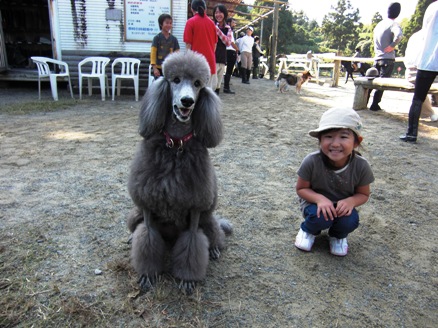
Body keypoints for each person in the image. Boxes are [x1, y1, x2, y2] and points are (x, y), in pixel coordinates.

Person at [294, 107, 375, 256]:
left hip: (342, 207)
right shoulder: (311, 161)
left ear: (357, 142)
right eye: (329, 136)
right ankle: (308, 230)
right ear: (320, 140)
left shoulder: (361, 165)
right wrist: (320, 199)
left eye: (343, 137)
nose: (335, 143)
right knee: (320, 217)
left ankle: (337, 236)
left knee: (349, 221)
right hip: (314, 205)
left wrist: (351, 201)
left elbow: (363, 194)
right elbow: (301, 189)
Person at [400, 1, 438, 142]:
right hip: (429, 59)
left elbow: (424, 33)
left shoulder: (432, 7)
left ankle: (411, 133)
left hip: (428, 59)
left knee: (418, 99)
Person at [368, 2, 403, 111]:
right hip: (387, 58)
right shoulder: (393, 24)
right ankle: (375, 104)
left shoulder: (379, 25)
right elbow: (399, 36)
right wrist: (392, 46)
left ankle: (364, 101)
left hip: (377, 57)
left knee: (371, 82)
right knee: (382, 83)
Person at [403, 29, 438, 123]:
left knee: (420, 90)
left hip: (411, 72)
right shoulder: (433, 35)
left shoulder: (415, 36)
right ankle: (430, 113)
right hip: (423, 72)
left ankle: (430, 112)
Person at [183, 0, 218, 89]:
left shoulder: (190, 22)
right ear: (205, 9)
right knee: (207, 94)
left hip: (196, 64)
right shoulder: (212, 23)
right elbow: (214, 46)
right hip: (210, 64)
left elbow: (188, 46)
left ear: (192, 9)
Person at [150, 14, 180, 78]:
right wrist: (154, 68)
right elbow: (153, 54)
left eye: (170, 23)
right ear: (161, 24)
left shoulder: (174, 39)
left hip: (170, 68)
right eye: (167, 23)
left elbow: (177, 54)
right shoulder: (156, 38)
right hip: (159, 68)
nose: (169, 25)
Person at [213, 4, 233, 95]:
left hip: (222, 57)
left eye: (220, 12)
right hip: (212, 56)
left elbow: (228, 42)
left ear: (224, 14)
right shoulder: (211, 25)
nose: (218, 15)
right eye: (216, 12)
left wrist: (218, 31)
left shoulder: (228, 28)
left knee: (219, 81)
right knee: (212, 80)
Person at [224, 17, 239, 93]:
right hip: (230, 51)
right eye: (233, 22)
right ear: (229, 23)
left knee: (227, 70)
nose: (234, 24)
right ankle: (226, 87)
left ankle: (226, 86)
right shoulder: (229, 30)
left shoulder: (225, 29)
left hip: (227, 50)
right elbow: (232, 43)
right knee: (229, 70)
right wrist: (237, 49)